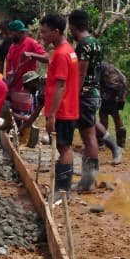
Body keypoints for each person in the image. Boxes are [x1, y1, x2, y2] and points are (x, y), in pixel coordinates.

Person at [68, 10, 120, 191]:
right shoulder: (95, 42)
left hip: (85, 95)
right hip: (94, 93)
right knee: (89, 134)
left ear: (72, 25)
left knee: (88, 137)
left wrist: (74, 95)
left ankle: (88, 181)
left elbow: (81, 73)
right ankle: (89, 179)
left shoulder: (83, 45)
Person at [38, 13, 80, 199]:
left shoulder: (62, 54)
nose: (42, 35)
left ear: (55, 32)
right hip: (67, 107)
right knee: (64, 147)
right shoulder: (68, 50)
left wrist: (52, 114)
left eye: (44, 32)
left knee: (64, 148)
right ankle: (63, 189)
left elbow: (60, 85)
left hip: (62, 110)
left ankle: (62, 191)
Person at [3, 20, 45, 98]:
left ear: (18, 32)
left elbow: (47, 58)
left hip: (26, 88)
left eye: (12, 33)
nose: (10, 36)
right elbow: (9, 68)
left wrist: (32, 54)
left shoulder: (31, 43)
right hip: (13, 87)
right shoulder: (12, 47)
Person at [98, 61, 129, 152]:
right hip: (122, 88)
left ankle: (101, 142)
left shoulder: (99, 67)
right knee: (115, 113)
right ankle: (121, 143)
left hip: (114, 88)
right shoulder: (106, 66)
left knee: (103, 113)